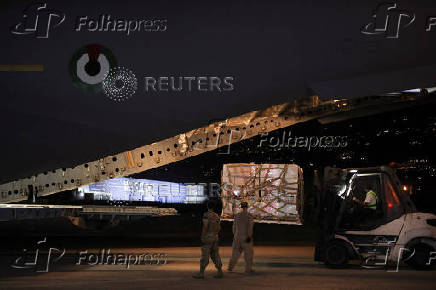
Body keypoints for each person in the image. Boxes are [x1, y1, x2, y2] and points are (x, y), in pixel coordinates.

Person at [193, 201, 223, 279]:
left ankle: (201, 273)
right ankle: (220, 271)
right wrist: (215, 234)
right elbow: (219, 228)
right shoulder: (216, 216)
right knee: (215, 255)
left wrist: (203, 236)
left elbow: (205, 227)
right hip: (215, 237)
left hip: (208, 237)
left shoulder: (206, 215)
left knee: (205, 255)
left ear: (207, 206)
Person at [228, 201, 254, 274]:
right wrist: (249, 236)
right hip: (245, 237)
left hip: (237, 237)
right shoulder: (249, 216)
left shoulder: (237, 216)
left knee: (235, 254)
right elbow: (250, 228)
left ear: (241, 207)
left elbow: (234, 227)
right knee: (248, 254)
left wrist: (235, 235)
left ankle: (230, 267)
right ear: (247, 207)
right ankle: (248, 269)